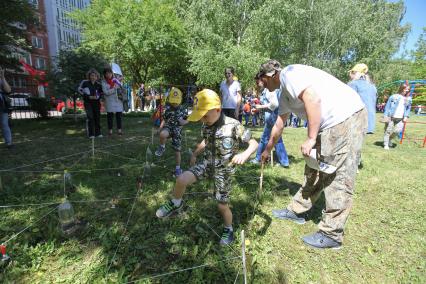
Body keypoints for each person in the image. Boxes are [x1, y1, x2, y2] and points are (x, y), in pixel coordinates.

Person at [258, 60, 367, 249]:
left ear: (269, 75)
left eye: (262, 82)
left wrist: (310, 138)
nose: (263, 87)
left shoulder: (289, 74)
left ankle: (331, 234)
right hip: (328, 125)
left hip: (345, 118)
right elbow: (279, 124)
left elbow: (313, 99)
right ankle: (298, 210)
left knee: (336, 174)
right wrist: (267, 149)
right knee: (314, 168)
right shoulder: (284, 93)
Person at [155, 89, 258, 245]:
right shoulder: (206, 125)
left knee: (222, 205)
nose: (203, 119)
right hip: (207, 163)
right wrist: (196, 153)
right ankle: (176, 203)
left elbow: (254, 143)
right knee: (181, 179)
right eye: (200, 116)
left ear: (217, 109)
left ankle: (228, 229)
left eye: (205, 115)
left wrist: (244, 154)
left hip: (224, 170)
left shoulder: (234, 125)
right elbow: (206, 141)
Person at [251, 75, 289, 167]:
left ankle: (258, 158)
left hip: (272, 117)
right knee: (277, 139)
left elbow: (274, 104)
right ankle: (284, 162)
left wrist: (260, 107)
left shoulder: (269, 90)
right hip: (272, 116)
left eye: (258, 82)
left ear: (262, 80)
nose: (258, 84)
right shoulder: (267, 90)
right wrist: (259, 109)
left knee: (265, 139)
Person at [154, 87, 188, 177]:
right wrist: (159, 128)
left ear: (180, 100)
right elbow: (164, 120)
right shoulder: (168, 109)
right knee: (162, 134)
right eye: (173, 101)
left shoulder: (183, 110)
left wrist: (184, 122)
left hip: (177, 132)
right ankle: (162, 147)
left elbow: (187, 120)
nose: (174, 103)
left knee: (177, 151)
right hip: (168, 127)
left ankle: (178, 169)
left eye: (176, 101)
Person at [348, 63, 378, 134]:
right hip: (369, 122)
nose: (349, 75)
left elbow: (348, 103)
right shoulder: (372, 86)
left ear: (354, 73)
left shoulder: (353, 84)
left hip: (356, 121)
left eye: (351, 72)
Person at [382, 82, 412, 150]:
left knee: (397, 131)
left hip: (401, 118)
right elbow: (387, 107)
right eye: (406, 89)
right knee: (388, 130)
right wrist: (385, 116)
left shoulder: (408, 99)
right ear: (401, 88)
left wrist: (406, 116)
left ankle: (389, 139)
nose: (407, 90)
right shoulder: (393, 96)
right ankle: (386, 144)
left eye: (408, 89)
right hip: (391, 117)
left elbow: (408, 108)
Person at [78, 68, 103, 138]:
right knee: (90, 117)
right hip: (88, 103)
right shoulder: (85, 83)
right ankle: (91, 134)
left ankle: (98, 133)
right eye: (92, 75)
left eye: (95, 76)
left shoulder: (99, 85)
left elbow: (101, 93)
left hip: (97, 103)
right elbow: (80, 90)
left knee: (97, 117)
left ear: (97, 77)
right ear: (89, 76)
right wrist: (88, 96)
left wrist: (98, 97)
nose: (93, 77)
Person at [102, 67, 124, 136]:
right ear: (104, 75)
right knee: (110, 116)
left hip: (118, 100)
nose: (108, 74)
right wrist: (114, 89)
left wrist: (120, 83)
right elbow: (106, 92)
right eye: (106, 73)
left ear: (112, 73)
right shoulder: (103, 82)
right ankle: (110, 131)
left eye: (109, 73)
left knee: (119, 116)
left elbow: (121, 89)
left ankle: (119, 130)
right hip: (109, 101)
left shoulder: (116, 80)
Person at [0, 67, 13, 148]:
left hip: (1, 104)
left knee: (4, 123)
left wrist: (2, 77)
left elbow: (8, 90)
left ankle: (9, 143)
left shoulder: (1, 79)